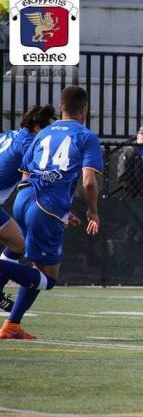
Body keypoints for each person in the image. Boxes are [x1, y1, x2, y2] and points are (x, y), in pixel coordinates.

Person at [0, 86, 102, 340]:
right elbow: (89, 182)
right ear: (85, 111)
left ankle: (12, 325)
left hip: (23, 199)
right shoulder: (86, 136)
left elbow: (26, 171)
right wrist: (93, 212)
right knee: (48, 277)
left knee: (20, 251)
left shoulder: (42, 133)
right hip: (48, 206)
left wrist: (61, 213)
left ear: (61, 107)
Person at [0, 104, 56, 312]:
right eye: (47, 128)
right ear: (36, 127)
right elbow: (35, 178)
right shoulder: (30, 143)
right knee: (19, 243)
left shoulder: (11, 135)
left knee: (17, 244)